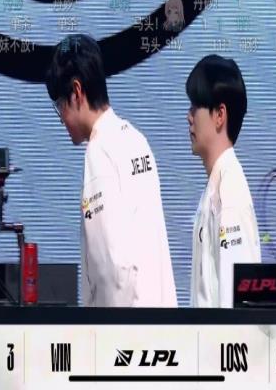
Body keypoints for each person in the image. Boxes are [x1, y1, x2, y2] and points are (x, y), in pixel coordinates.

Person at [45, 34, 177, 307]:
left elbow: (112, 269)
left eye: (59, 105)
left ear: (76, 92)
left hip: (125, 326)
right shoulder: (136, 139)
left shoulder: (99, 151)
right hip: (162, 319)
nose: (61, 119)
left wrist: (103, 329)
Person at [186, 55, 261, 308]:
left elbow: (237, 304)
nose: (189, 117)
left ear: (219, 115)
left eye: (196, 106)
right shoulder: (216, 186)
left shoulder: (230, 192)